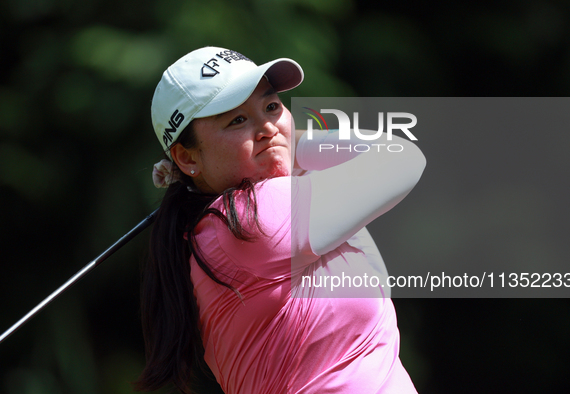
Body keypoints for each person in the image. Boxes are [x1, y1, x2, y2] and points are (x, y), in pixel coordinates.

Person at [135, 46, 426, 394]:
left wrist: (279, 147)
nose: (267, 128)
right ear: (186, 156)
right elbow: (402, 158)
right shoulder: (252, 218)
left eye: (272, 107)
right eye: (237, 120)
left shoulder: (211, 233)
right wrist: (291, 146)